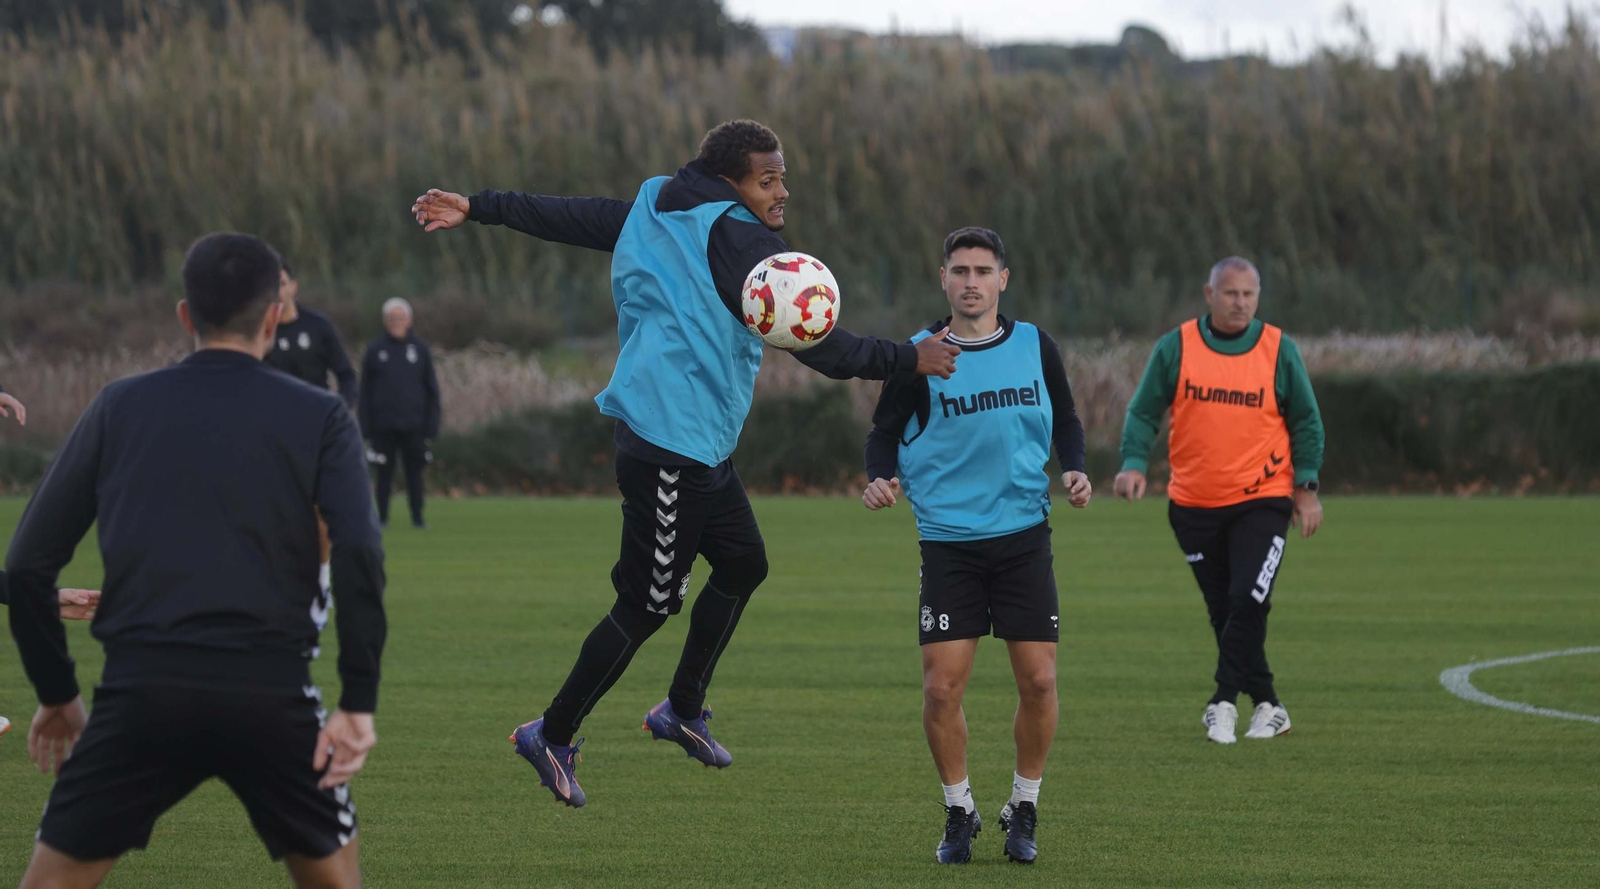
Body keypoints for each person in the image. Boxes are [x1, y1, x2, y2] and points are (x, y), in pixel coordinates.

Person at [411, 118, 960, 807]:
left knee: (742, 564)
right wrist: (910, 356)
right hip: (669, 439)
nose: (783, 190)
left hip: (695, 438)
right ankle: (549, 733)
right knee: (645, 604)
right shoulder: (739, 235)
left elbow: (578, 217)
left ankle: (681, 709)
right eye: (769, 178)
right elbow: (820, 348)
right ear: (732, 181)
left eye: (783, 175)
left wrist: (480, 206)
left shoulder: (657, 201)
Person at [6, 232, 387, 889]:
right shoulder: (322, 415)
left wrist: (59, 693)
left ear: (186, 315)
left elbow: (27, 568)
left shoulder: (117, 406)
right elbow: (358, 549)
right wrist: (357, 699)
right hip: (271, 694)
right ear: (274, 314)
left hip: (140, 694)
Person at [862, 227, 1089, 865]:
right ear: (943, 279)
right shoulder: (918, 355)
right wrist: (879, 478)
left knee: (1040, 682)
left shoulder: (1034, 345)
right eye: (959, 270)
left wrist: (1074, 466)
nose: (970, 281)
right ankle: (959, 809)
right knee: (941, 691)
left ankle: (1025, 804)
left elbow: (1066, 417)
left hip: (1023, 539)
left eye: (982, 271)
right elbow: (881, 435)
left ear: (1002, 280)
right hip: (950, 545)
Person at [1113, 256, 1324, 745]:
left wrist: (1306, 488)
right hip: (1193, 503)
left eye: (1250, 294)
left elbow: (1307, 422)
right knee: (1224, 611)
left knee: (1248, 596)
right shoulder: (1178, 346)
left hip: (1263, 498)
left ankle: (1222, 702)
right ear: (1210, 295)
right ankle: (1269, 704)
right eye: (1231, 293)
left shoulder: (1278, 349)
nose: (1241, 303)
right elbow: (1144, 410)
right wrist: (1132, 463)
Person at [264, 259, 361, 602]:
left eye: (281, 282)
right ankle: (277, 577)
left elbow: (347, 376)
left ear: (293, 286)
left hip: (316, 432)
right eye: (269, 284)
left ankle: (322, 580)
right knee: (274, 509)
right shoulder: (260, 331)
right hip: (272, 434)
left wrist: (340, 411)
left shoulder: (318, 326)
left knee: (321, 512)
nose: (276, 290)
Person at [358, 298, 440, 529]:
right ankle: (381, 517)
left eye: (400, 318)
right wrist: (365, 425)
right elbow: (365, 390)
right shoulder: (375, 350)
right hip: (383, 425)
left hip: (414, 425)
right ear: (385, 322)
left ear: (409, 320)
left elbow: (432, 391)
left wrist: (432, 425)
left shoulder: (420, 350)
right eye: (392, 319)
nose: (396, 322)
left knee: (415, 474)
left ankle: (418, 517)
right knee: (383, 475)